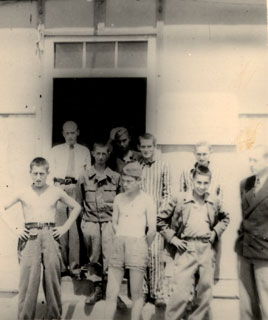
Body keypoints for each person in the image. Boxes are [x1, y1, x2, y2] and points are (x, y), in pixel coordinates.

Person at [0, 157, 81, 320]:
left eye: (41, 174)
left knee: (52, 280)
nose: (38, 177)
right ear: (30, 173)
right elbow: (2, 207)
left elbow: (77, 207)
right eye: (35, 173)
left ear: (47, 174)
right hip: (30, 236)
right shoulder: (23, 191)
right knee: (28, 282)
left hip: (50, 235)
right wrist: (16, 229)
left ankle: (54, 316)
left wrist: (64, 227)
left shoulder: (55, 191)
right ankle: (25, 317)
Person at [157, 165, 229, 320]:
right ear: (192, 181)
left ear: (209, 183)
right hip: (186, 249)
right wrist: (173, 238)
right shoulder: (180, 199)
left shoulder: (213, 201)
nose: (201, 187)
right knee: (179, 293)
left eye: (205, 183)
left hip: (205, 249)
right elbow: (160, 220)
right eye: (199, 182)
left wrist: (215, 232)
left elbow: (225, 218)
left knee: (204, 293)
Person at [105, 161, 156, 320]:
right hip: (119, 243)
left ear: (139, 181)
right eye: (124, 181)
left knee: (136, 292)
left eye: (129, 181)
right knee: (111, 291)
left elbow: (152, 230)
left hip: (137, 244)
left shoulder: (147, 200)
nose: (125, 184)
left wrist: (141, 245)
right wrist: (121, 237)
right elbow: (114, 223)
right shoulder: (119, 198)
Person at [79, 142, 120, 304]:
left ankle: (112, 293)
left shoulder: (116, 177)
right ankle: (96, 289)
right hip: (91, 221)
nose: (101, 157)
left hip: (110, 221)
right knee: (93, 257)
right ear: (93, 154)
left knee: (110, 257)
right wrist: (85, 221)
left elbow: (121, 202)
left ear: (108, 155)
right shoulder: (84, 176)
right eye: (98, 154)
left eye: (104, 154)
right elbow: (79, 201)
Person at [49, 120, 91, 278]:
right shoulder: (55, 151)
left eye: (73, 133)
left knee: (73, 228)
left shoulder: (84, 151)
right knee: (60, 226)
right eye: (67, 133)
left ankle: (74, 266)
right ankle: (61, 266)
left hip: (75, 188)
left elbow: (87, 174)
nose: (70, 136)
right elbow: (49, 172)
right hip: (59, 187)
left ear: (78, 132)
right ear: (62, 134)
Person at [180, 140, 223, 281]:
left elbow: (221, 203)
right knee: (188, 271)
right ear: (194, 154)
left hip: (208, 227)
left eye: (204, 154)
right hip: (191, 227)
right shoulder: (187, 173)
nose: (201, 157)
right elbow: (181, 199)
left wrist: (214, 232)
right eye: (198, 154)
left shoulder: (217, 174)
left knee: (206, 270)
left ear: (211, 153)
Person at [138, 133, 171, 306]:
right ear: (139, 148)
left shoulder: (163, 166)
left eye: (149, 146)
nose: (146, 150)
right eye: (143, 147)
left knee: (156, 254)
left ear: (154, 147)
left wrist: (159, 216)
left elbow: (168, 194)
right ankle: (143, 291)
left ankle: (157, 292)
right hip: (139, 219)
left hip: (157, 219)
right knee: (142, 253)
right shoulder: (136, 167)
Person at [235, 145, 268, 320]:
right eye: (249, 160)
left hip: (265, 252)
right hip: (245, 250)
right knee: (247, 305)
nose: (251, 164)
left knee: (266, 301)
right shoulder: (245, 184)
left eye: (255, 160)